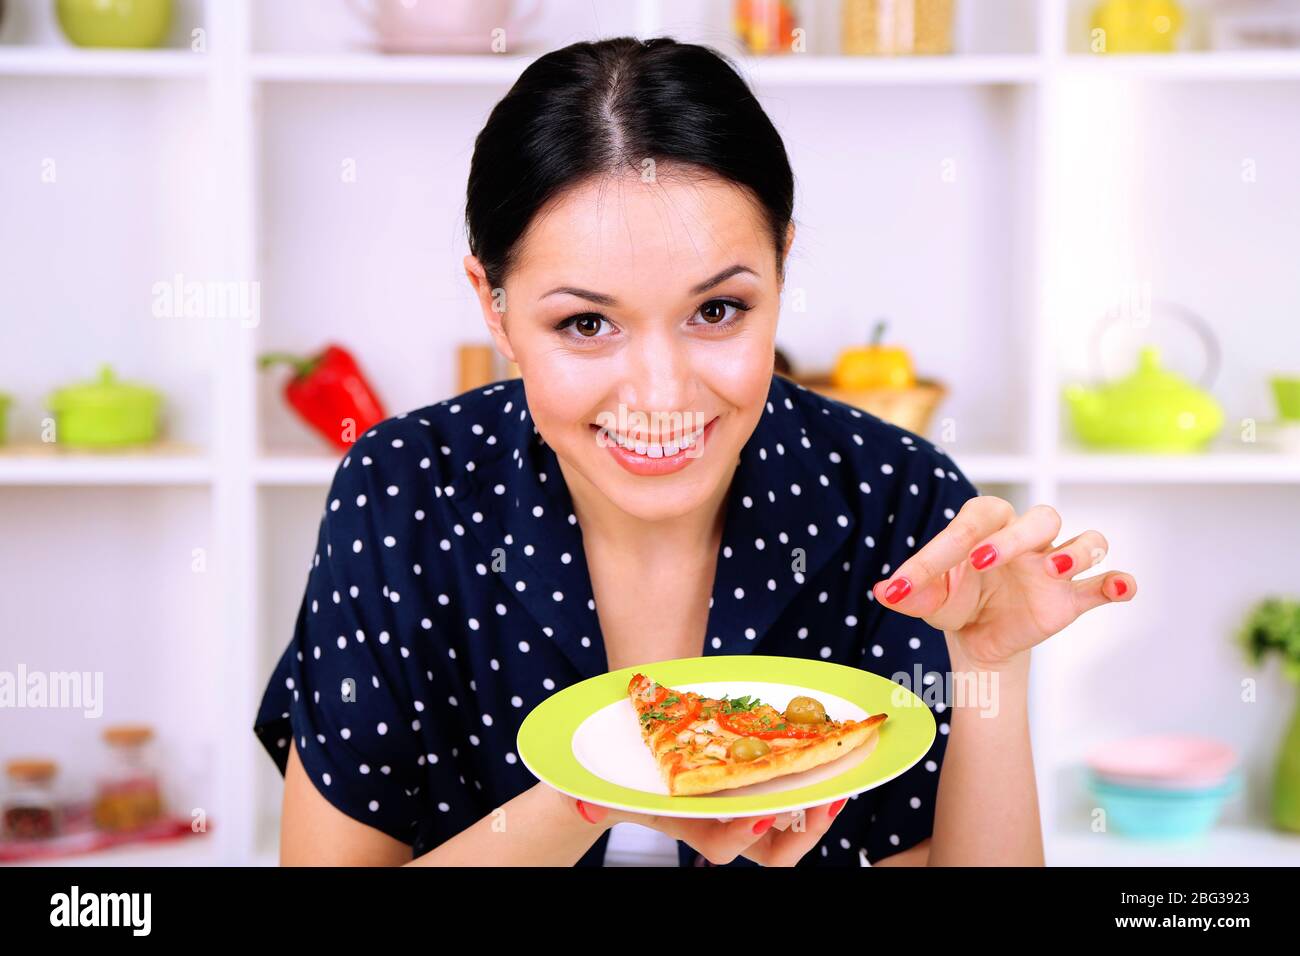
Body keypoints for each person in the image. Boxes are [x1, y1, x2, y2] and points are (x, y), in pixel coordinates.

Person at [254, 36, 1136, 867]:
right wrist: (608, 789)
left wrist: (992, 672)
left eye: (716, 311)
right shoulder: (403, 491)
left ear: (781, 270)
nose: (662, 392)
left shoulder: (899, 502)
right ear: (494, 306)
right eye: (586, 324)